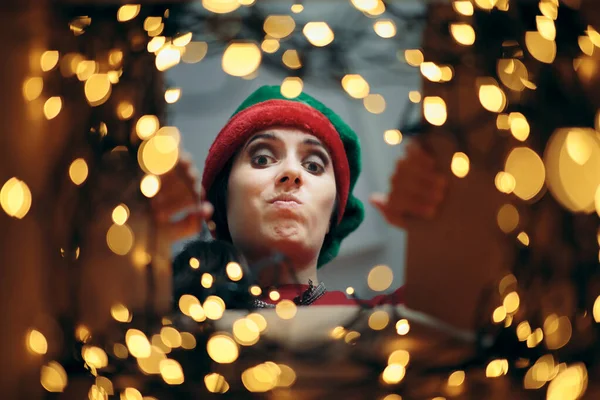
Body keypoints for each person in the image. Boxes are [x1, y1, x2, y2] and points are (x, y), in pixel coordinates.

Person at [156, 85, 447, 307]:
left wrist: (442, 223)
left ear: (335, 212)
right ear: (222, 198)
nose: (292, 172)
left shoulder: (395, 317)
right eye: (261, 159)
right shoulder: (163, 316)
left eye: (313, 165)